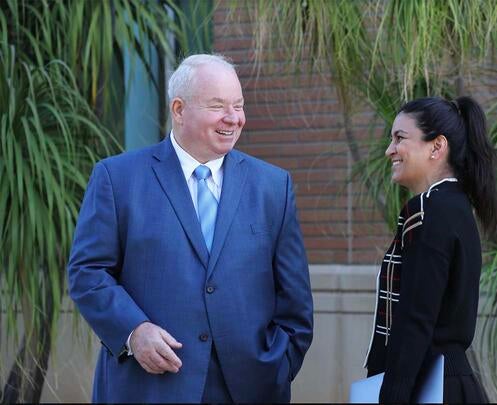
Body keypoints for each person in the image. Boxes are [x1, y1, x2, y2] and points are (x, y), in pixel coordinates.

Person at [68, 54, 313, 403]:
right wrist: (133, 331)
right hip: (148, 387)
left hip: (248, 389)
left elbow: (295, 300)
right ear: (179, 109)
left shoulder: (273, 186)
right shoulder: (117, 178)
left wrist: (279, 366)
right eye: (218, 106)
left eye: (238, 106)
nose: (233, 118)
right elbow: (88, 272)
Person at [363, 96, 497, 403]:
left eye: (400, 138)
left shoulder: (427, 211)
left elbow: (415, 320)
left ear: (437, 147)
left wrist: (391, 396)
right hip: (448, 383)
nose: (389, 150)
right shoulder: (457, 206)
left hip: (429, 388)